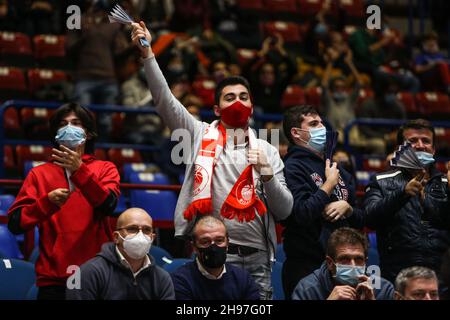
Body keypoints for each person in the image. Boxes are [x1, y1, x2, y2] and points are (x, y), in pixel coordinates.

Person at [131, 21, 293, 300]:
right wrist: (148, 54)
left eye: (244, 97)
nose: (238, 102)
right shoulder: (197, 134)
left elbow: (285, 210)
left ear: (252, 107)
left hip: (257, 261)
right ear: (217, 108)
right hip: (211, 255)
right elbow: (164, 100)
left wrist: (266, 172)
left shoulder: (267, 148)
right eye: (230, 98)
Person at [7, 102, 120, 300]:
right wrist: (46, 203)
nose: (69, 128)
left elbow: (109, 206)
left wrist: (79, 171)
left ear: (89, 133)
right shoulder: (38, 174)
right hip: (54, 280)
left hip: (98, 276)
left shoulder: (105, 168)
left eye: (76, 123)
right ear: (55, 134)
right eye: (63, 123)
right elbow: (16, 223)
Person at [281, 105, 364, 299]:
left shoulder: (337, 168)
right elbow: (301, 213)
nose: (322, 128)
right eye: (313, 124)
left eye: (321, 122)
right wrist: (328, 186)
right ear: (296, 133)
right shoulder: (291, 167)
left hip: (341, 267)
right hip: (306, 265)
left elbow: (362, 219)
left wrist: (349, 209)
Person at [364, 119, 450, 283]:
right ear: (400, 149)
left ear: (433, 148)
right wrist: (402, 193)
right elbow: (370, 218)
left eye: (426, 141)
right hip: (397, 275)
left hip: (441, 277)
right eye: (412, 141)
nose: (420, 145)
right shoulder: (381, 181)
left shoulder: (447, 184)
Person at [66, 208, 175, 300]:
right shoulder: (88, 272)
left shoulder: (162, 278)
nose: (140, 235)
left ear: (152, 237)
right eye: (132, 229)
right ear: (116, 237)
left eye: (146, 230)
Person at [171, 215, 260, 300]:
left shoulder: (243, 278)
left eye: (219, 240)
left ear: (228, 244)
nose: (213, 248)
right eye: (205, 242)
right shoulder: (181, 280)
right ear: (194, 247)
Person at [292, 227, 394, 300]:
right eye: (344, 259)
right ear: (330, 263)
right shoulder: (308, 289)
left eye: (359, 259)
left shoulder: (383, 289)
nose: (353, 266)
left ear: (366, 261)